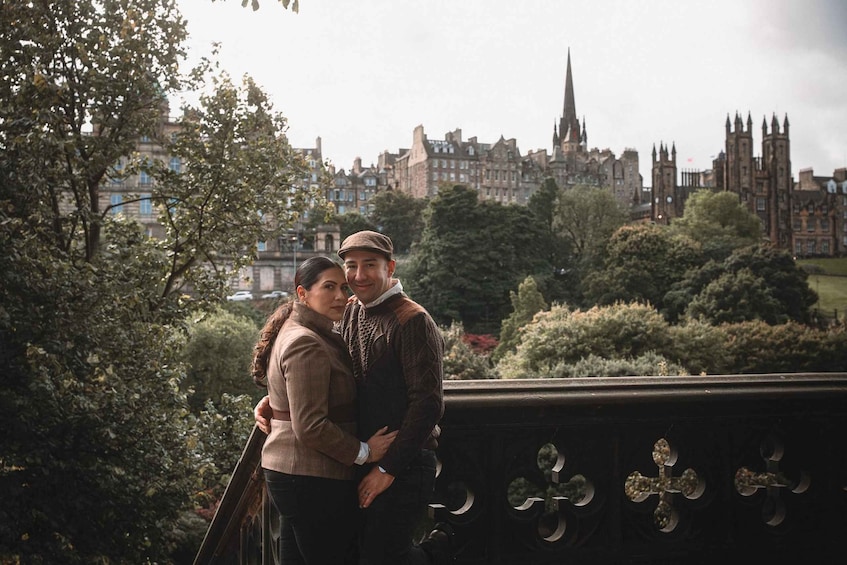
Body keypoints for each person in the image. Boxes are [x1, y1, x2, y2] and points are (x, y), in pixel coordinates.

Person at [256, 231, 453, 565]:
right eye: (351, 266)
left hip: (403, 462)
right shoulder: (349, 310)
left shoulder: (413, 320)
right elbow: (326, 376)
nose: (359, 276)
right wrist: (279, 404)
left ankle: (439, 553)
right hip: (360, 460)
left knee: (382, 557)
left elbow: (429, 403)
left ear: (389, 267)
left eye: (370, 265)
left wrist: (387, 468)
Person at [253, 256, 397, 565]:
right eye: (328, 287)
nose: (340, 297)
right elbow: (311, 425)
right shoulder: (307, 342)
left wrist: (275, 405)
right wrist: (365, 452)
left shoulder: (303, 330)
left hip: (295, 475)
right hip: (310, 476)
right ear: (303, 293)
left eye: (344, 288)